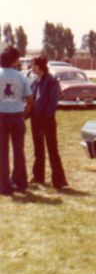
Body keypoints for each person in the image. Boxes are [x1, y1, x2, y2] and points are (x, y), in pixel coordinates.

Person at [29, 56, 68, 190]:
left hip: (47, 121)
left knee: (52, 150)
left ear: (40, 66)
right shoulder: (34, 82)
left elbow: (53, 102)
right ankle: (38, 176)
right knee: (38, 149)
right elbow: (31, 102)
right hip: (35, 120)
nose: (31, 67)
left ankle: (60, 181)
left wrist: (44, 118)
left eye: (33, 65)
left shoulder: (51, 81)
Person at [0, 45, 33, 194]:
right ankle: (21, 182)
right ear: (14, 61)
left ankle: (4, 185)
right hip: (17, 116)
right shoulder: (21, 76)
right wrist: (24, 114)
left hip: (1, 116)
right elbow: (30, 99)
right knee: (19, 151)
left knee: (2, 152)